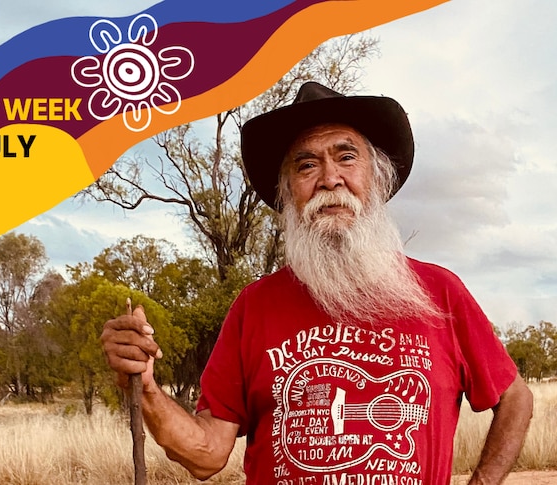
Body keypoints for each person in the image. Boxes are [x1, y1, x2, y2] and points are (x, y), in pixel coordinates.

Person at [101, 82, 533, 485]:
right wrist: (148, 389)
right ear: (289, 192)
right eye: (307, 165)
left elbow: (514, 398)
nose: (329, 178)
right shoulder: (255, 306)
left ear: (377, 178)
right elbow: (206, 454)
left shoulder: (439, 292)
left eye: (346, 157)